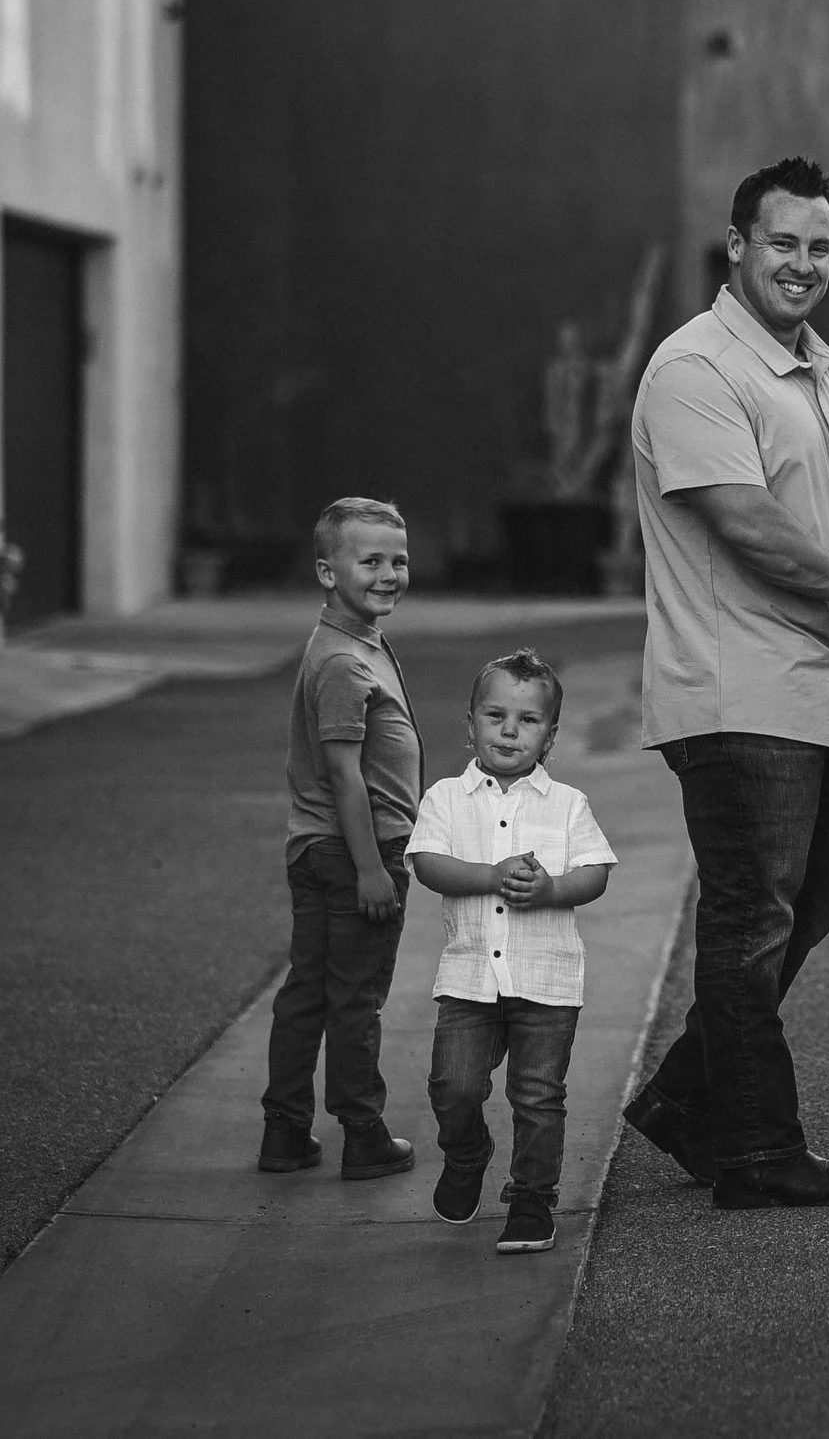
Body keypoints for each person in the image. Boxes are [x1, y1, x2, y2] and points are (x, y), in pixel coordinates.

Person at [620, 155, 829, 1211]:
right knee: (751, 924)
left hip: (825, 689)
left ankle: (692, 1102)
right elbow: (743, 521)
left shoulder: (825, 370)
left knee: (802, 913)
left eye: (820, 246)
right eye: (782, 242)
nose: (802, 263)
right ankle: (757, 1148)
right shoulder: (694, 369)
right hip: (736, 693)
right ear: (736, 245)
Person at [408, 650, 616, 1253]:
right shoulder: (446, 797)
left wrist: (550, 888)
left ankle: (531, 1198)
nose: (508, 730)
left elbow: (596, 873)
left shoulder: (568, 804)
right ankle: (467, 1153)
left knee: (538, 1096)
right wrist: (491, 875)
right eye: (495, 715)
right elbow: (427, 864)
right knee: (455, 1086)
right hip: (470, 979)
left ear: (550, 735)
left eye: (527, 721)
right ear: (469, 722)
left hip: (546, 983)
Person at [258, 497, 422, 1181]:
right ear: (328, 571)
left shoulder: (360, 643)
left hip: (327, 847)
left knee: (312, 991)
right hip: (354, 850)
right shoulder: (340, 662)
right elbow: (345, 776)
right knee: (354, 996)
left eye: (398, 559)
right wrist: (371, 869)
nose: (388, 573)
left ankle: (286, 1132)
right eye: (370, 560)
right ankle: (363, 1132)